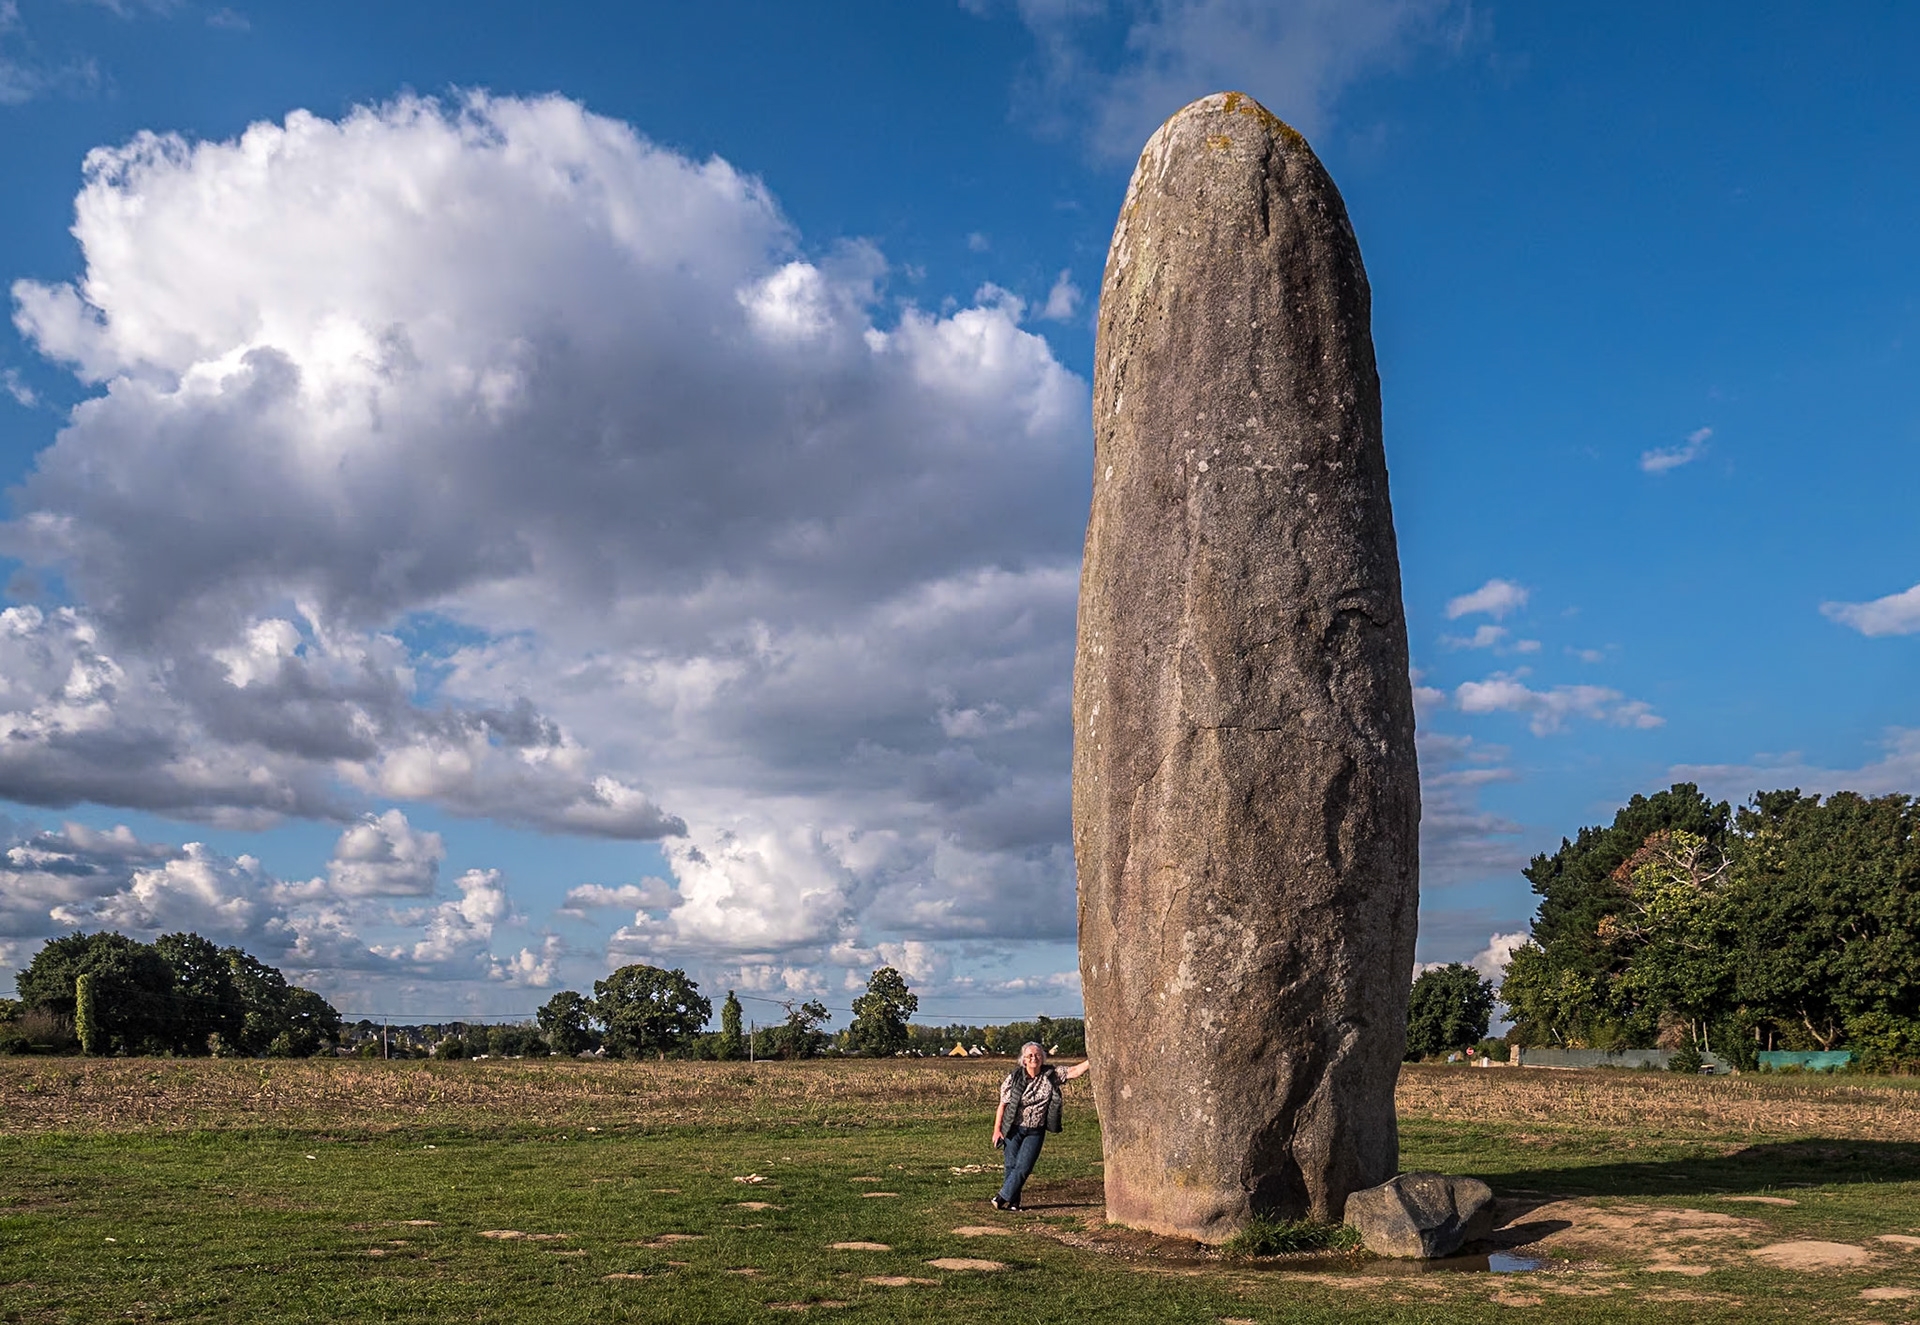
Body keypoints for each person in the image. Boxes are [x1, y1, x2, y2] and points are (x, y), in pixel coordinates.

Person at [990, 1041, 1090, 1211]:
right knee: (1011, 1165)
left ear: (1042, 1058)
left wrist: (1093, 1059)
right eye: (1030, 1056)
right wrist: (997, 1130)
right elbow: (1003, 1105)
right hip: (1013, 1128)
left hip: (1035, 1130)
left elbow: (1074, 1071)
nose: (1034, 1058)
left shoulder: (1051, 1074)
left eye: (1037, 1055)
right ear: (1024, 1060)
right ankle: (1013, 1203)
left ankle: (1001, 1198)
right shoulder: (1013, 1078)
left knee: (1024, 1166)